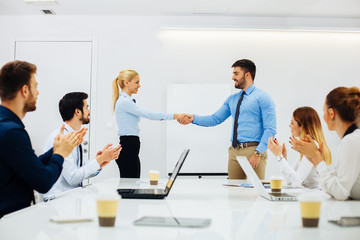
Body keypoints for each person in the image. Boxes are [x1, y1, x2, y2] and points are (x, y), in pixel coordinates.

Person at [0, 61, 86, 218]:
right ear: (25, 90)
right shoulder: (12, 132)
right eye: (35, 86)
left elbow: (30, 167)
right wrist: (60, 154)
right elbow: (43, 182)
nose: (38, 93)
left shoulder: (5, 126)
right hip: (10, 223)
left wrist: (57, 149)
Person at [179, 59, 276, 179]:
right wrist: (193, 118)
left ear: (247, 75)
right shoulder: (232, 99)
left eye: (236, 74)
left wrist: (258, 152)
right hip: (234, 152)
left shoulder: (263, 97)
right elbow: (214, 119)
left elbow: (270, 129)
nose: (232, 77)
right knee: (234, 194)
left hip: (254, 150)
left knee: (256, 193)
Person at [43, 92, 121, 201]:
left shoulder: (73, 136)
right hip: (58, 199)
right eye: (87, 107)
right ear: (78, 112)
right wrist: (99, 160)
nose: (89, 111)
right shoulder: (61, 138)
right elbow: (73, 178)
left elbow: (80, 170)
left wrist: (100, 162)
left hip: (70, 195)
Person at [112, 69, 185, 178]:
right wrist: (176, 116)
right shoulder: (124, 102)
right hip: (128, 146)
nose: (139, 85)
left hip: (131, 145)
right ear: (126, 83)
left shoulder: (126, 101)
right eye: (136, 82)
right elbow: (150, 115)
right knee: (130, 186)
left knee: (132, 184)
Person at [290, 87, 360, 200]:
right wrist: (317, 160)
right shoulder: (350, 140)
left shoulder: (350, 141)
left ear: (331, 113)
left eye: (324, 111)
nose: (323, 116)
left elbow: (340, 192)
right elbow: (335, 186)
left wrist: (317, 159)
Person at [267, 107, 331, 189]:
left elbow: (297, 182)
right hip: (307, 195)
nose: (289, 125)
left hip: (313, 196)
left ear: (302, 126)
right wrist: (283, 158)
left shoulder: (312, 146)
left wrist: (279, 157)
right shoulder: (305, 146)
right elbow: (289, 180)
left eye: (292, 123)